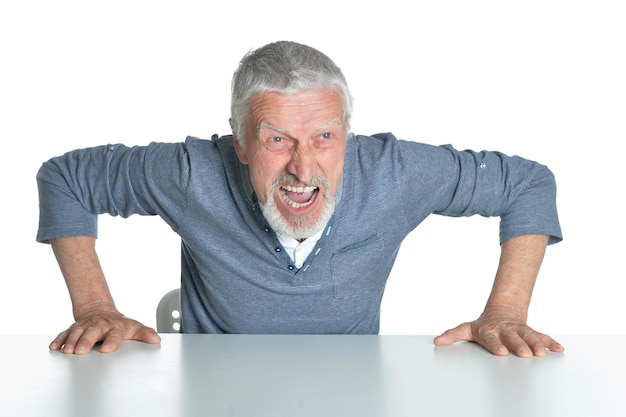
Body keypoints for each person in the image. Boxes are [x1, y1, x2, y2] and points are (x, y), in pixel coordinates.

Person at [37, 40, 564, 357]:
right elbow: (67, 178)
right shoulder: (190, 170)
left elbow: (526, 184)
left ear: (348, 134)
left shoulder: (396, 171)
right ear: (240, 141)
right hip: (210, 392)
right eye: (276, 139)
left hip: (351, 393)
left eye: (325, 137)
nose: (303, 168)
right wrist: (95, 307)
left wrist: (506, 312)